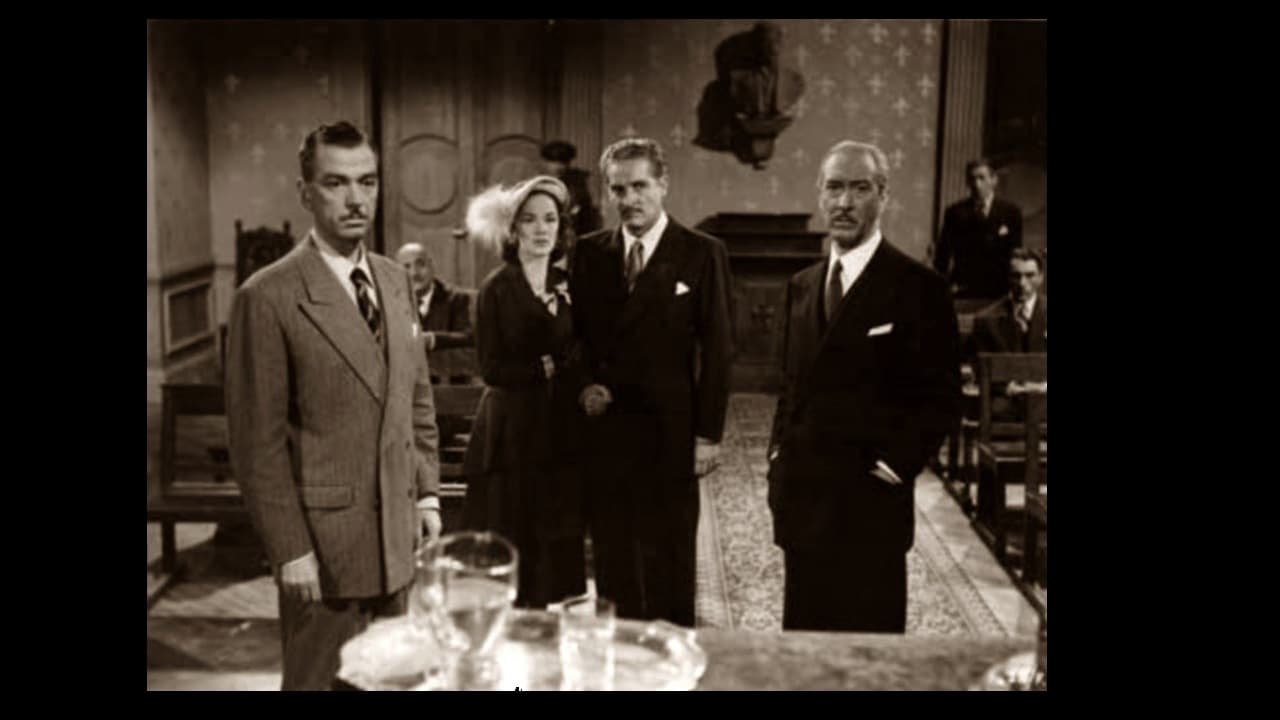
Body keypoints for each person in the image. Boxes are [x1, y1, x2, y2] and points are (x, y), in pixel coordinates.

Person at [224, 121, 442, 690]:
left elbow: (416, 400)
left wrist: (426, 492)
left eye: (367, 182)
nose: (356, 200)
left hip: (397, 536)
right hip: (324, 550)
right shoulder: (267, 296)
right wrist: (290, 549)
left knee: (393, 683)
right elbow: (257, 445)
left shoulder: (394, 280)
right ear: (305, 193)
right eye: (336, 183)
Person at [767, 140, 961, 633]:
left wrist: (896, 466)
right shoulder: (802, 285)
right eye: (834, 188)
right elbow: (791, 390)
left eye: (859, 189)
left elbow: (941, 398)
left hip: (869, 508)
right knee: (805, 652)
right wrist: (778, 455)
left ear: (883, 195)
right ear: (819, 193)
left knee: (869, 655)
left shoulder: (919, 287)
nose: (844, 203)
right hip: (803, 501)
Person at [571, 137, 733, 626]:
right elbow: (577, 337)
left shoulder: (702, 252)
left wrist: (708, 434)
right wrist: (585, 386)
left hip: (670, 431)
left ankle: (672, 655)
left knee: (669, 558)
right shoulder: (590, 252)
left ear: (663, 185)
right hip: (607, 431)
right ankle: (619, 657)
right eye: (618, 189)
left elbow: (719, 349)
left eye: (640, 186)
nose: (629, 199)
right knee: (614, 557)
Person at [459, 175, 588, 609]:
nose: (541, 229)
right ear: (513, 230)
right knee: (512, 558)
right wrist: (545, 367)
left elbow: (582, 349)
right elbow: (491, 368)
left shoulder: (569, 282)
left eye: (550, 219)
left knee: (553, 558)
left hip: (558, 430)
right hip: (510, 434)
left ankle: (545, 639)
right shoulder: (496, 288)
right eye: (530, 220)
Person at [933, 158, 1024, 301]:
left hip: (999, 289)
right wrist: (941, 287)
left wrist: (1015, 287)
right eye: (972, 179)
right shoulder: (955, 212)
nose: (976, 184)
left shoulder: (1011, 212)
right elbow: (943, 255)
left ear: (994, 180)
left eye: (982, 178)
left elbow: (1016, 254)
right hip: (964, 287)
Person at [395, 242, 475, 383]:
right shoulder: (390, 301)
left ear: (431, 266)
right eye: (406, 267)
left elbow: (468, 337)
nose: (414, 273)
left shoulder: (456, 299)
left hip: (450, 384)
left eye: (420, 264)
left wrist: (431, 339)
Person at [970, 248, 1047, 354]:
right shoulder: (986, 320)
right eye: (1016, 276)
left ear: (1041, 277)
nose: (1022, 283)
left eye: (1029, 275)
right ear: (1008, 277)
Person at [541, 140, 602, 239]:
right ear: (545, 162)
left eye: (563, 162)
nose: (558, 167)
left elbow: (586, 209)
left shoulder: (579, 181)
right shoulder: (539, 183)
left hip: (577, 231)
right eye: (553, 162)